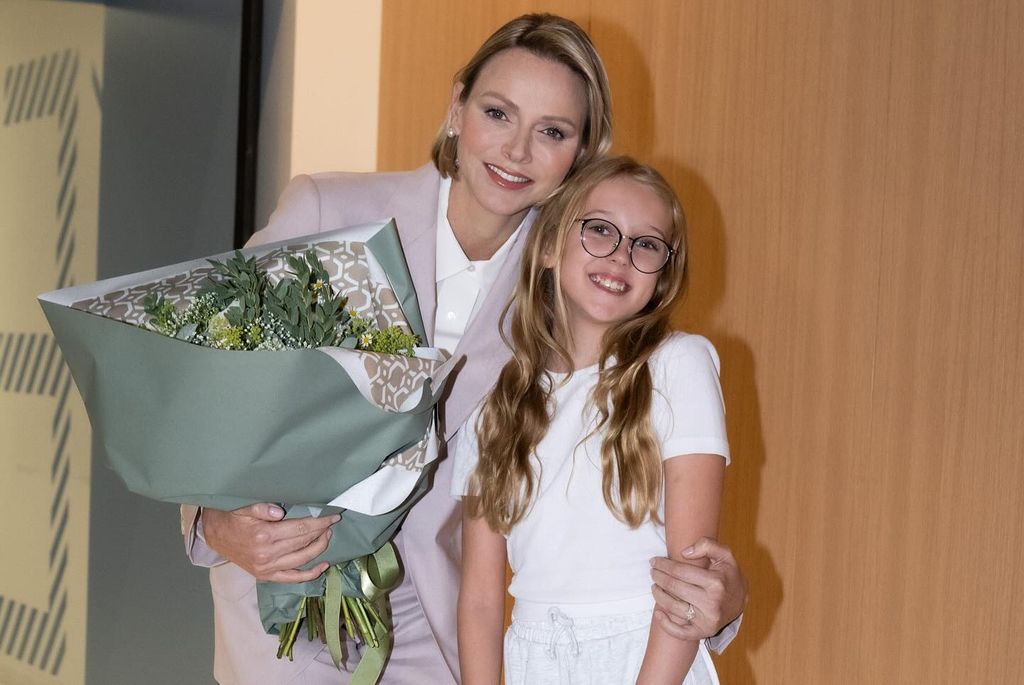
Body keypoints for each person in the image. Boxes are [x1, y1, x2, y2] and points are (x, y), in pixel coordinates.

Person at [180, 14, 746, 684]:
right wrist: (213, 521)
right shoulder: (328, 213)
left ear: (582, 155)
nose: (516, 149)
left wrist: (723, 601)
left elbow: (597, 499)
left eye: (553, 132)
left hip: (442, 634)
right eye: (498, 113)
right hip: (290, 607)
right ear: (457, 107)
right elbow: (205, 384)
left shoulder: (570, 289)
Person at [453, 156, 728, 685]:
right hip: (534, 661)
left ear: (664, 273)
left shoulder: (677, 364)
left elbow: (688, 578)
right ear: (552, 245)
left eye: (647, 244)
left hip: (649, 659)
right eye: (600, 230)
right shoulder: (495, 398)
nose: (621, 255)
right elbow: (481, 600)